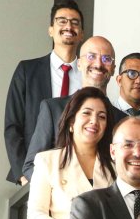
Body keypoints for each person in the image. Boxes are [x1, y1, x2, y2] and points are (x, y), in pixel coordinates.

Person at [4, 0, 84, 184]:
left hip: (76, 174)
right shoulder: (27, 71)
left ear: (81, 34)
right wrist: (24, 175)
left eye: (74, 22)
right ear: (50, 30)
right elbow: (12, 126)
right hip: (35, 173)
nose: (68, 26)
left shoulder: (88, 74)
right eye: (61, 21)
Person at [24, 35, 126, 180]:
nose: (98, 64)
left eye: (106, 59)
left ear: (113, 69)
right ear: (79, 63)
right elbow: (31, 165)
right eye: (91, 56)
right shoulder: (53, 109)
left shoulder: (123, 121)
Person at [26, 87, 115, 219]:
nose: (94, 121)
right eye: (86, 113)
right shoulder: (47, 161)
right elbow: (36, 215)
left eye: (101, 117)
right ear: (71, 122)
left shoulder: (115, 167)